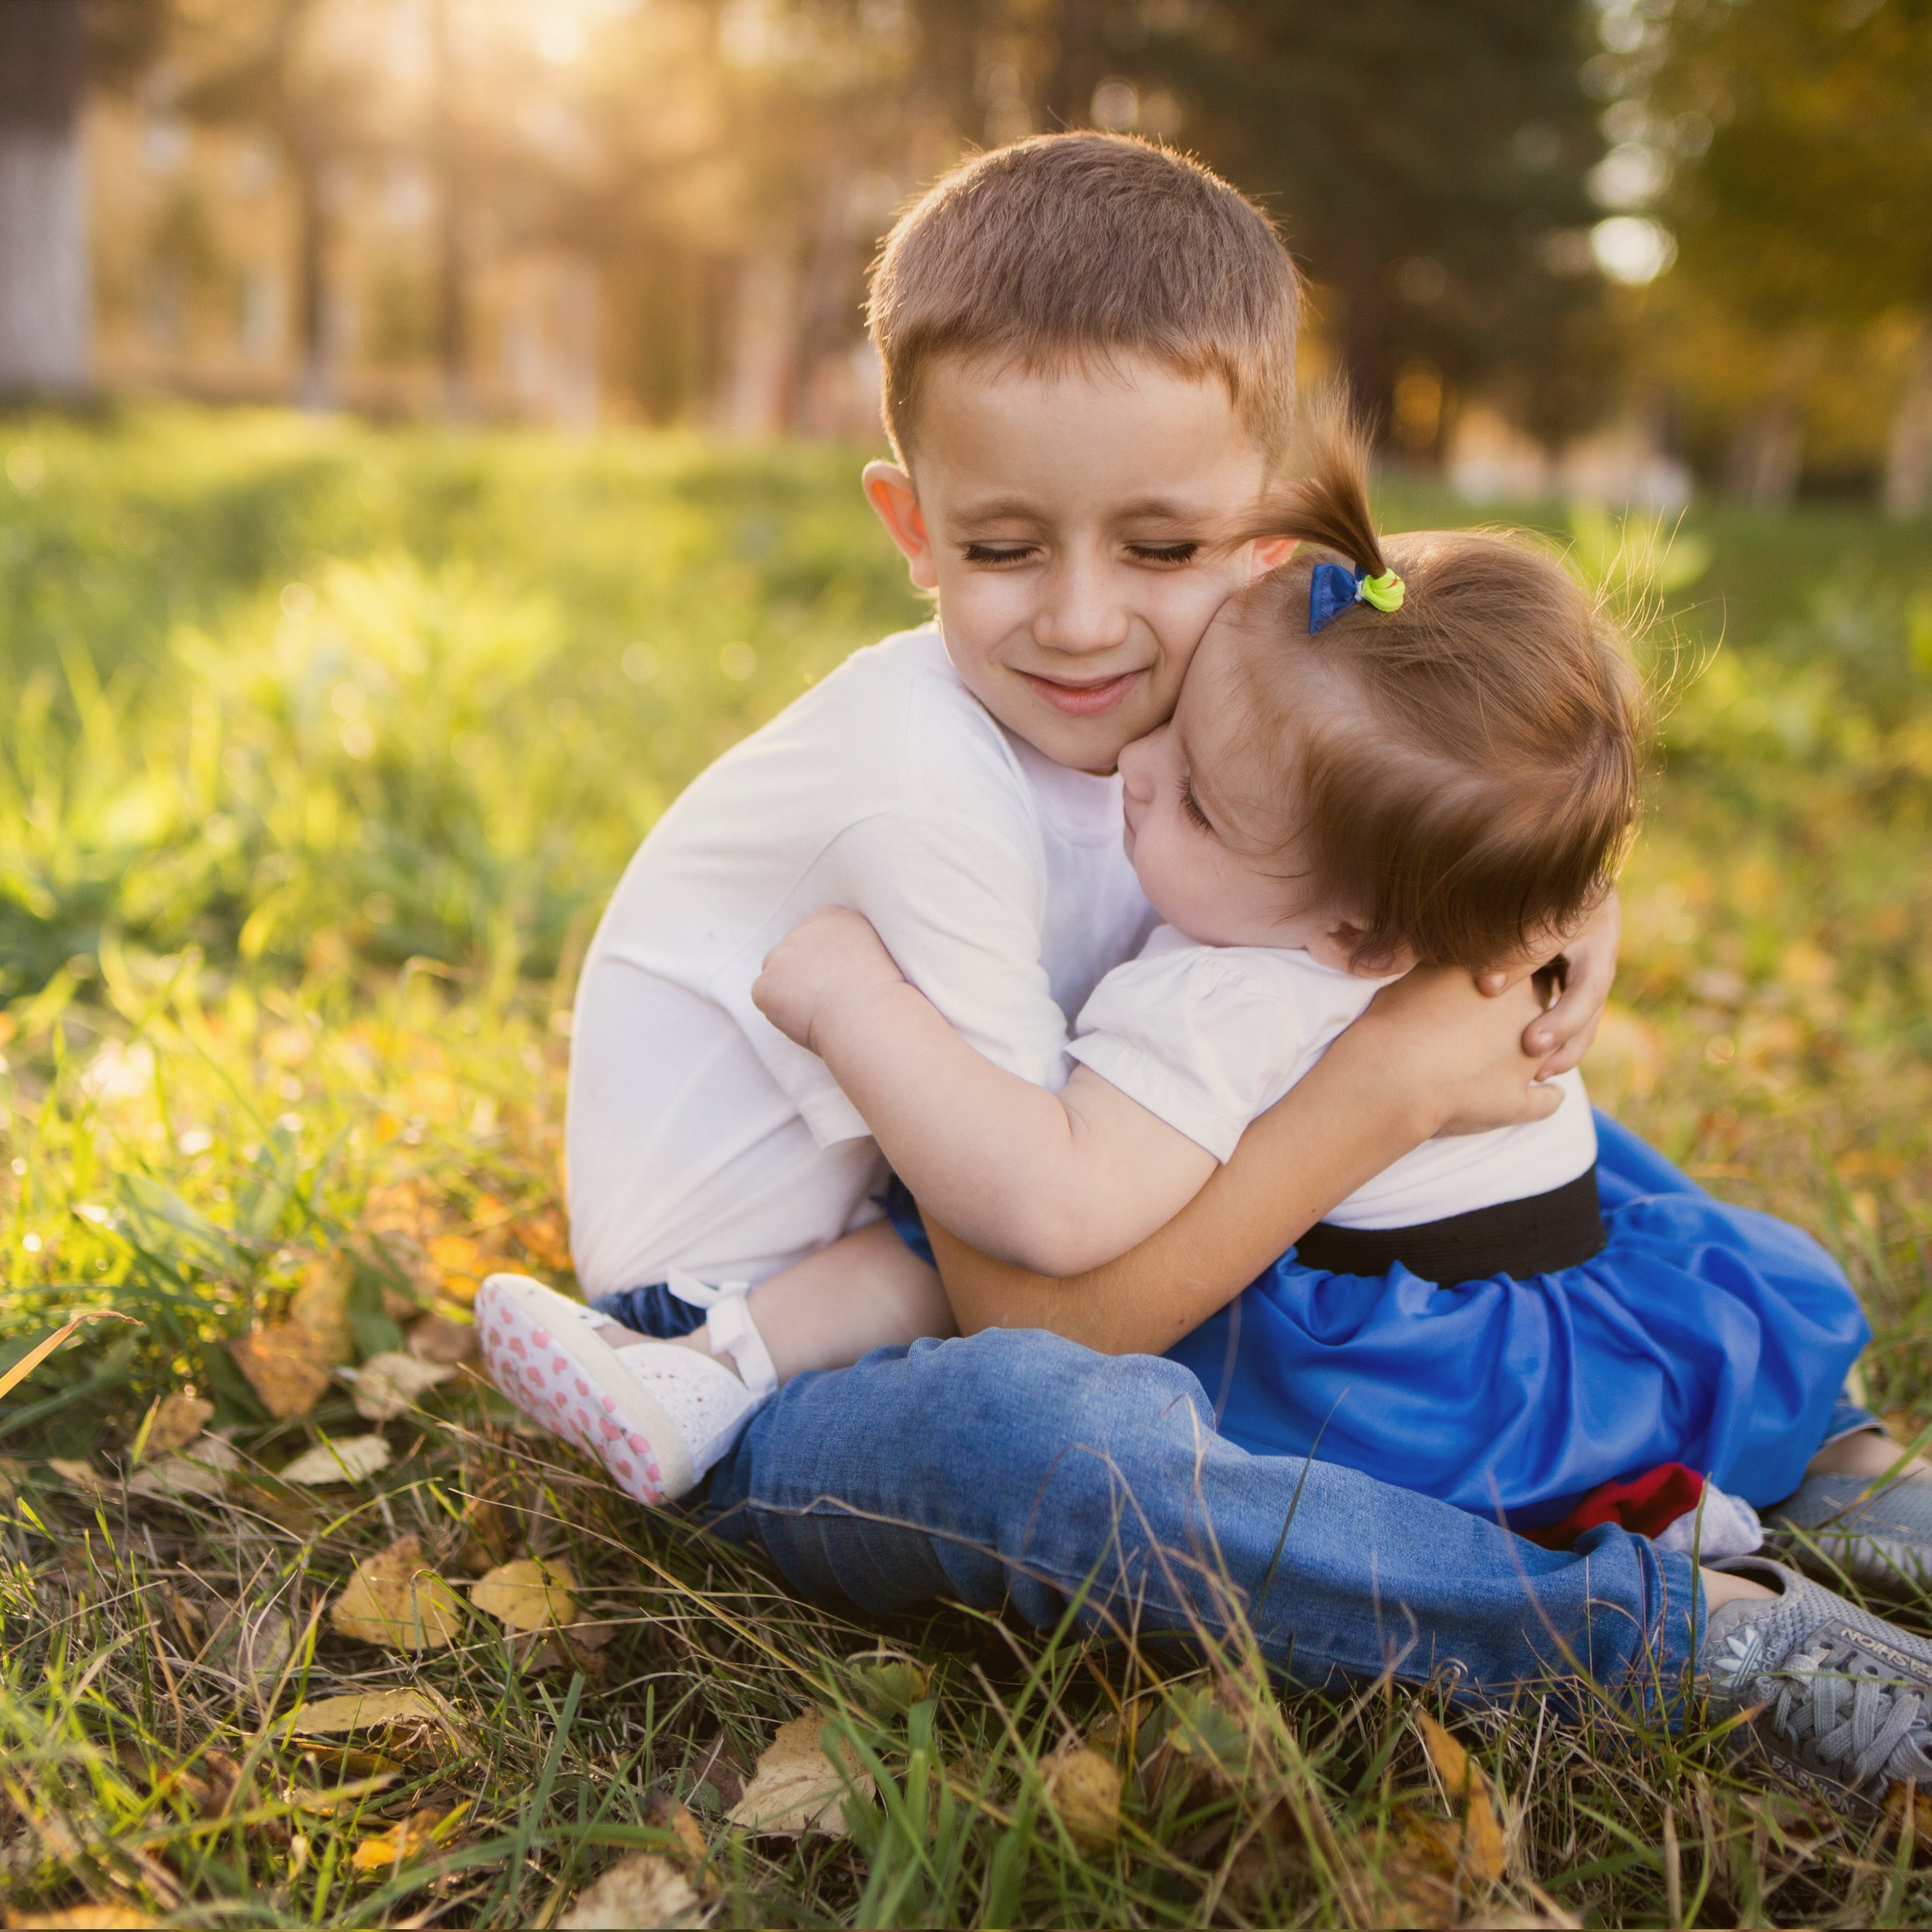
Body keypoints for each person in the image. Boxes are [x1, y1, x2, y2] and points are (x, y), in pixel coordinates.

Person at [476, 131, 1932, 1803]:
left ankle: (1791, 1447)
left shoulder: (1231, 646)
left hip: (1092, 1185)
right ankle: (1665, 1636)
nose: (1087, 622)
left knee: (1461, 1076)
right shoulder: (917, 783)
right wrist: (1382, 1084)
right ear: (912, 524)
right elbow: (1032, 1302)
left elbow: (1471, 678)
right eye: (1005, 546)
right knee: (1054, 1443)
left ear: (1257, 531)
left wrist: (1554, 910)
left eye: (1158, 549)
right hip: (781, 1347)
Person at [742, 414, 1872, 1534]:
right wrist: (1567, 901)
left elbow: (1059, 1214)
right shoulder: (1414, 898)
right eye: (1179, 732)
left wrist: (859, 1004)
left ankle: (1654, 1607)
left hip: (1420, 1395)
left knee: (1094, 1408)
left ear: (1366, 938)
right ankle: (1839, 1474)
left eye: (1197, 800)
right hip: (1583, 1328)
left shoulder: (1216, 991)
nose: (1138, 767)